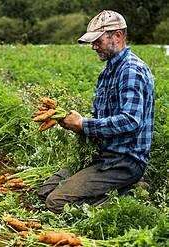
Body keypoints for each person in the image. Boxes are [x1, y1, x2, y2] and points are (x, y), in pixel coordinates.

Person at [37, 10, 155, 213]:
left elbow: (130, 121)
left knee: (56, 203)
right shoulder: (108, 72)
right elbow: (105, 120)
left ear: (117, 36)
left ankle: (129, 194)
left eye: (97, 41)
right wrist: (71, 121)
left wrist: (84, 124)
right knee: (44, 192)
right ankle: (114, 189)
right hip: (102, 156)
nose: (93, 47)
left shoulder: (131, 70)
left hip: (123, 161)